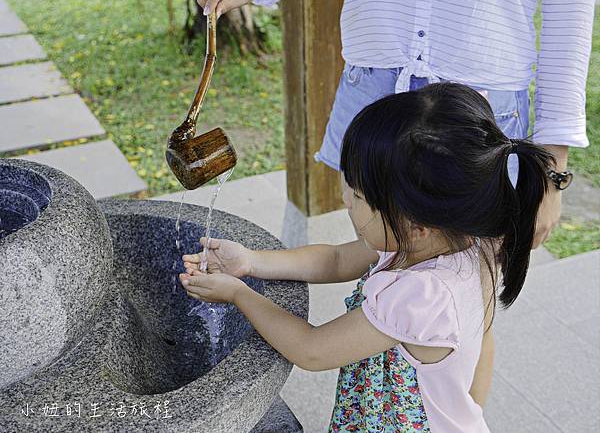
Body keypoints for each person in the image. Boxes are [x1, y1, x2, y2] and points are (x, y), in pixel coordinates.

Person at [179, 83, 554, 432]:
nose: (345, 199)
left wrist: (239, 294)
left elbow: (311, 351)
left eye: (358, 196)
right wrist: (251, 261)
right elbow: (337, 261)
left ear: (416, 224)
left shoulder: (422, 295)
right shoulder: (467, 242)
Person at [193, 0, 596, 248]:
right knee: (378, 257)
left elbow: (569, 25)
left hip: (476, 113)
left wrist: (550, 172)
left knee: (466, 297)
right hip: (370, 87)